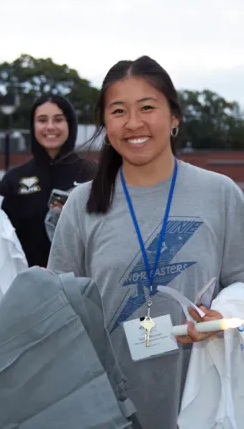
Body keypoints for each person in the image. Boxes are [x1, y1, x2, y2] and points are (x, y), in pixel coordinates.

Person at [47, 56, 244, 429]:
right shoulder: (82, 204)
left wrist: (224, 315)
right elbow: (63, 313)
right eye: (119, 111)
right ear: (105, 123)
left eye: (148, 107)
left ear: (174, 117)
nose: (134, 123)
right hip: (107, 408)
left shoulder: (219, 193)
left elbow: (241, 280)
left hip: (201, 399)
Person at [0, 94, 96, 268]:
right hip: (29, 283)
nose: (50, 127)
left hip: (81, 281)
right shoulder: (15, 178)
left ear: (70, 125)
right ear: (33, 126)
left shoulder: (92, 173)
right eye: (42, 120)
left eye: (58, 120)